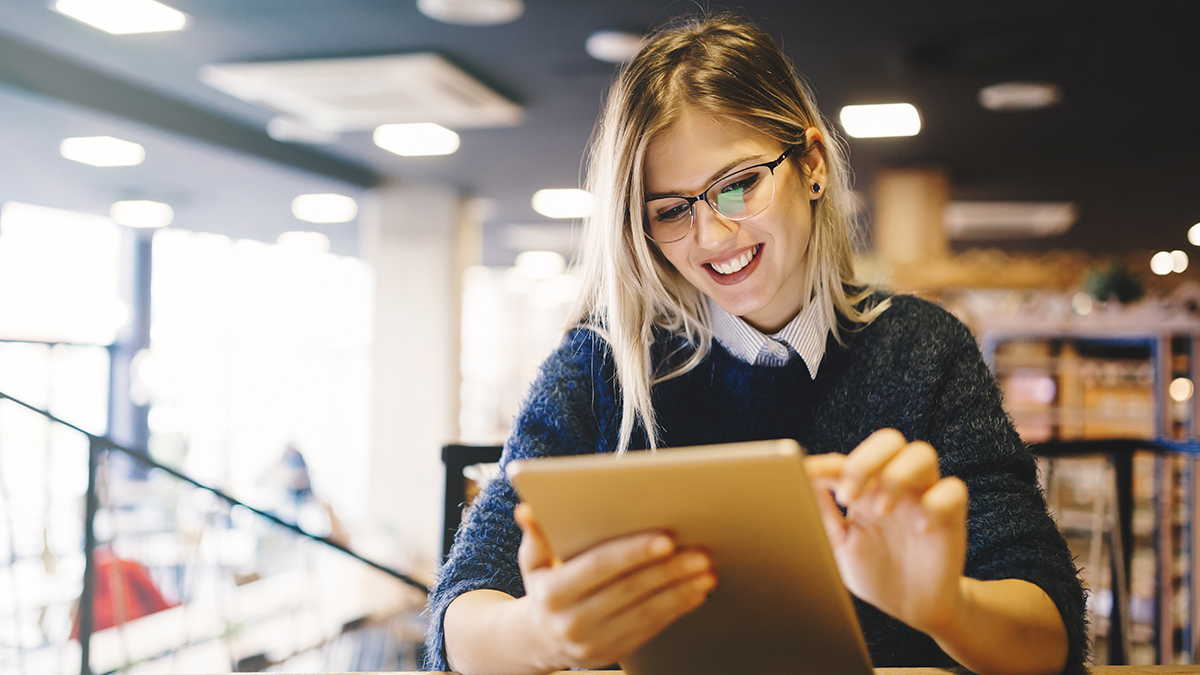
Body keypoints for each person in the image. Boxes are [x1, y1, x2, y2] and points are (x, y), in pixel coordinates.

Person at [426, 13, 1087, 675]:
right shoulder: (601, 364)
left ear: (812, 165)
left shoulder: (922, 350)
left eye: (739, 184)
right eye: (672, 209)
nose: (713, 236)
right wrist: (542, 633)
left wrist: (946, 606)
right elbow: (460, 614)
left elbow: (1048, 632)